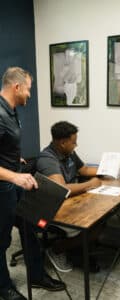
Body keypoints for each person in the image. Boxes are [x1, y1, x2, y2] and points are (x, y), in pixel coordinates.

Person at [0, 67, 65, 300]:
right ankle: (3, 287)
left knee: (30, 227)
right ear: (16, 87)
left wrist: (10, 157)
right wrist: (15, 176)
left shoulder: (11, 111)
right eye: (28, 89)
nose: (29, 94)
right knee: (2, 240)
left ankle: (37, 276)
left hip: (12, 186)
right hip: (4, 188)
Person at [36, 121, 102, 272]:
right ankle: (57, 249)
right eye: (74, 142)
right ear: (63, 142)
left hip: (72, 202)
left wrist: (109, 169)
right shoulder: (47, 159)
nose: (76, 145)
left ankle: (76, 248)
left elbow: (84, 169)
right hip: (53, 209)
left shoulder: (68, 152)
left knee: (101, 219)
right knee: (92, 226)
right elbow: (61, 189)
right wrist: (90, 184)